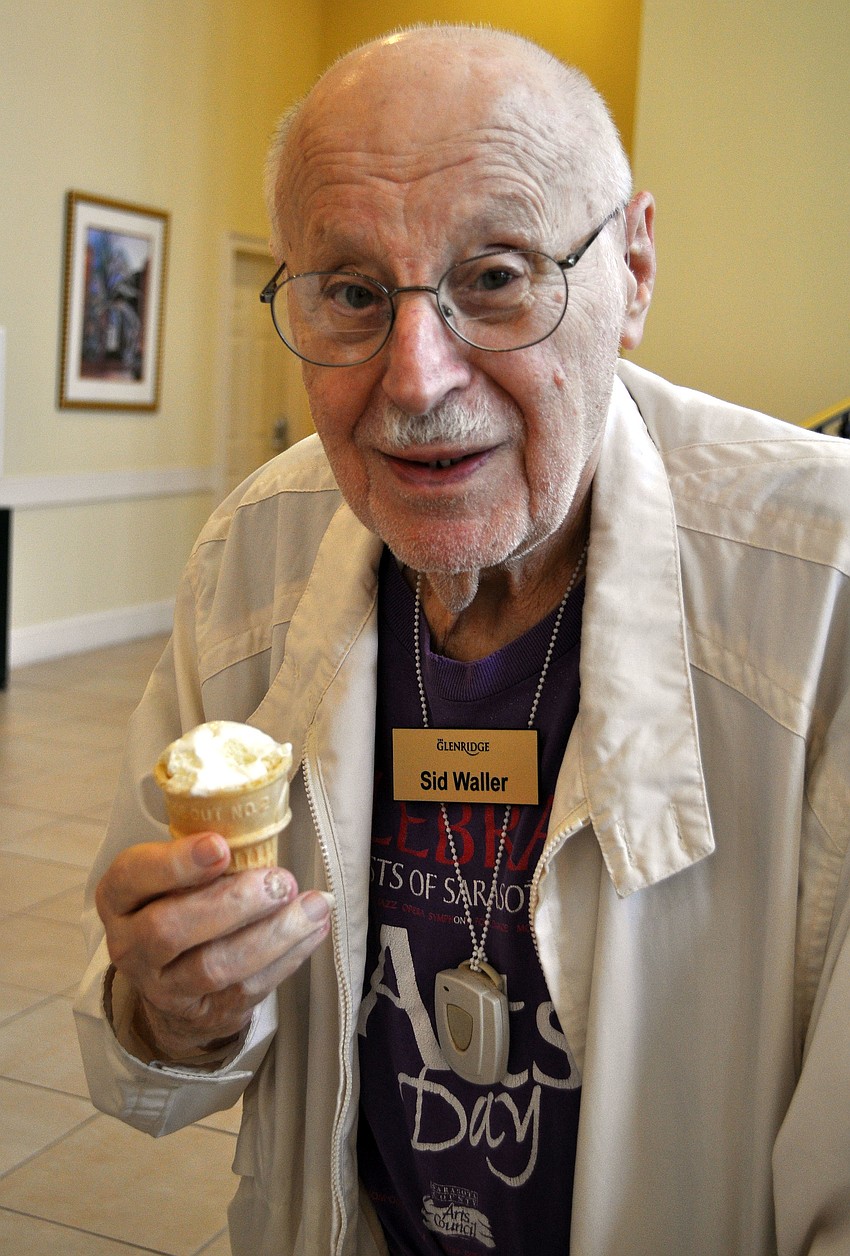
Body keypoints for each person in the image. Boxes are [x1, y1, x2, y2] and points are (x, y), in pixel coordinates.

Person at [74, 23, 850, 1256]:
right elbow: (146, 1051)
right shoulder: (254, 557)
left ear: (633, 272)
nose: (416, 376)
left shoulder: (824, 594)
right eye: (349, 292)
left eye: (495, 276)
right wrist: (172, 1008)